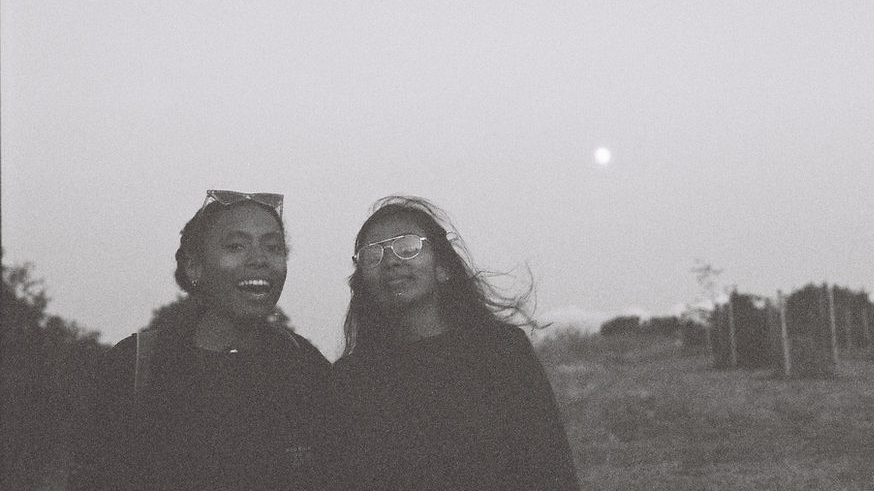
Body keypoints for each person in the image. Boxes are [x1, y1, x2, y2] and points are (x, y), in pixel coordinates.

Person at [71, 190, 338, 491]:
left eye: (273, 247)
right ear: (194, 266)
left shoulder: (305, 367)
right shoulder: (135, 365)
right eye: (236, 246)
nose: (259, 259)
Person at [333, 196, 580, 491]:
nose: (391, 261)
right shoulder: (351, 379)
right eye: (372, 254)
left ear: (443, 267)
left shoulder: (501, 351)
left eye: (408, 247)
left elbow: (552, 466)